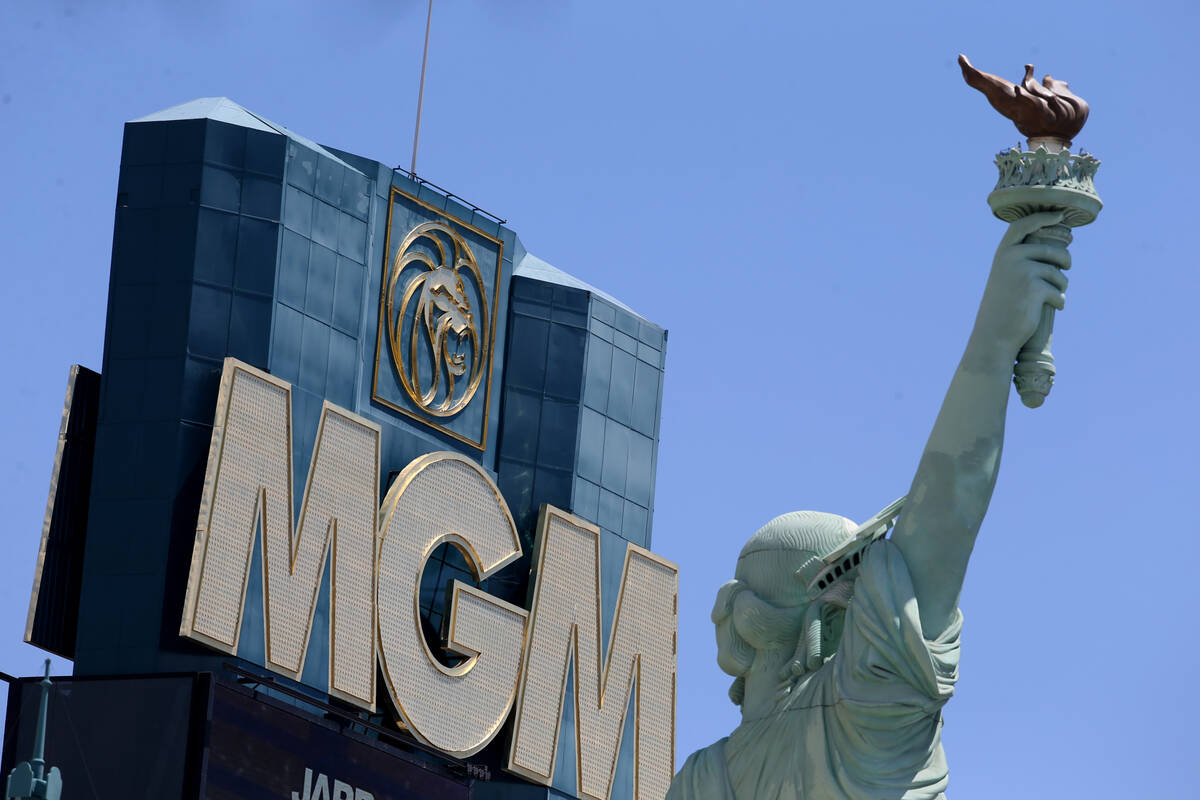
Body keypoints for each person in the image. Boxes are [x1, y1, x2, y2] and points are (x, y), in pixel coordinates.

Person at [668, 211, 1071, 799]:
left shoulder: (699, 781)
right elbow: (945, 516)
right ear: (829, 616)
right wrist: (993, 341)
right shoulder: (860, 718)